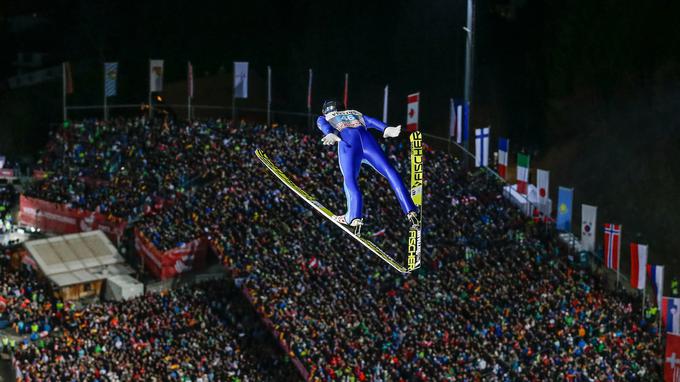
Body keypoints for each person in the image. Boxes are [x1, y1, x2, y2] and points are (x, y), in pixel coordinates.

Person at [316, 100, 418, 235]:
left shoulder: (326, 117)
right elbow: (371, 121)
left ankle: (354, 217)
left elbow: (322, 123)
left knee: (350, 178)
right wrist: (386, 128)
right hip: (368, 141)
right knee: (390, 171)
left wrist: (329, 132)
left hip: (348, 143)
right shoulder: (354, 113)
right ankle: (411, 210)